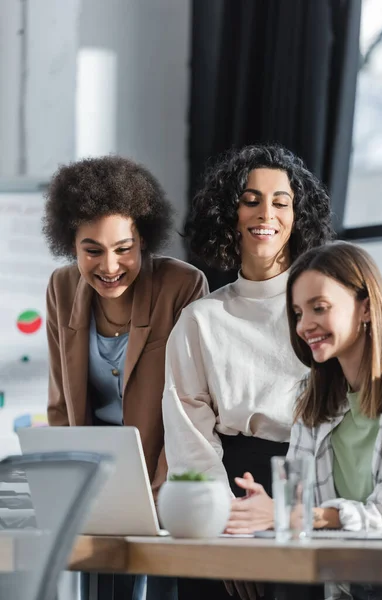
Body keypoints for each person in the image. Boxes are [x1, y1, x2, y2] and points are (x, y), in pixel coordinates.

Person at [162, 143, 335, 599]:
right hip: (223, 491)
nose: (266, 214)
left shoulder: (325, 312)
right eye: (251, 199)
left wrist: (293, 510)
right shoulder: (200, 320)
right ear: (230, 213)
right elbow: (188, 438)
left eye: (281, 202)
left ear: (298, 217)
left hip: (308, 487)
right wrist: (223, 527)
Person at [42, 155, 208, 600]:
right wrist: (64, 491)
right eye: (92, 250)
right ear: (70, 246)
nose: (109, 265)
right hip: (95, 485)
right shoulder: (61, 288)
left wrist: (161, 497)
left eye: (124, 248)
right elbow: (60, 405)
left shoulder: (182, 285)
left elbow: (190, 409)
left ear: (145, 241)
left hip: (167, 476)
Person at [227, 241, 382, 600]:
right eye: (297, 313)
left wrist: (300, 515)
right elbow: (299, 508)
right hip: (343, 583)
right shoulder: (313, 399)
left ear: (365, 308)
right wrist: (266, 512)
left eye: (318, 308)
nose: (305, 326)